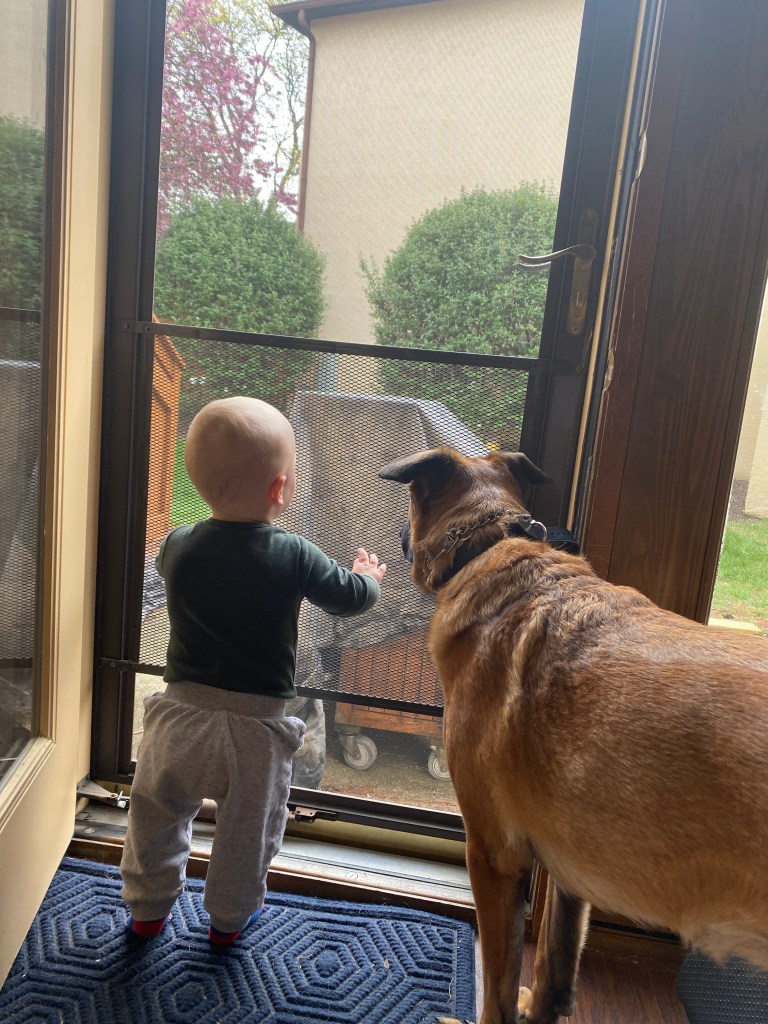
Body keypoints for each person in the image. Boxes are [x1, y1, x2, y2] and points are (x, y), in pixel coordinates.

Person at [120, 396, 386, 944]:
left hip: (179, 717)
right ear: (280, 488)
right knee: (247, 832)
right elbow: (348, 599)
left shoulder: (177, 545)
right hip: (255, 730)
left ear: (198, 483)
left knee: (154, 817)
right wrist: (368, 577)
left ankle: (146, 909)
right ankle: (230, 917)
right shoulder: (295, 554)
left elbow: (169, 570)